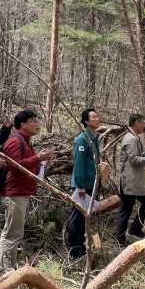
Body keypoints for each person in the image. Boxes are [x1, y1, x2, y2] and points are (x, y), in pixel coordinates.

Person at [0, 110, 53, 269]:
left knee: (14, 232)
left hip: (22, 192)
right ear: (23, 124)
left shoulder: (26, 141)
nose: (37, 124)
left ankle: (7, 265)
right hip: (14, 193)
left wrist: (39, 164)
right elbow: (15, 167)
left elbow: (24, 163)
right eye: (33, 121)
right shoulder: (15, 141)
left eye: (37, 120)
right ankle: (5, 269)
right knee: (12, 233)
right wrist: (37, 158)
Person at [115, 114, 145, 246]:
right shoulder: (131, 139)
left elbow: (134, 157)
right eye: (143, 123)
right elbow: (134, 160)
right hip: (131, 181)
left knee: (126, 210)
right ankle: (133, 230)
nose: (144, 126)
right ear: (136, 123)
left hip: (131, 181)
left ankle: (122, 238)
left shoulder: (132, 137)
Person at [67, 108, 100, 260]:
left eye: (97, 116)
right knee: (78, 217)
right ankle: (74, 250)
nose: (97, 119)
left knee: (85, 217)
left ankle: (82, 244)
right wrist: (80, 185)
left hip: (91, 183)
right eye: (94, 117)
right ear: (86, 121)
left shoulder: (94, 138)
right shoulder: (82, 139)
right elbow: (78, 164)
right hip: (82, 185)